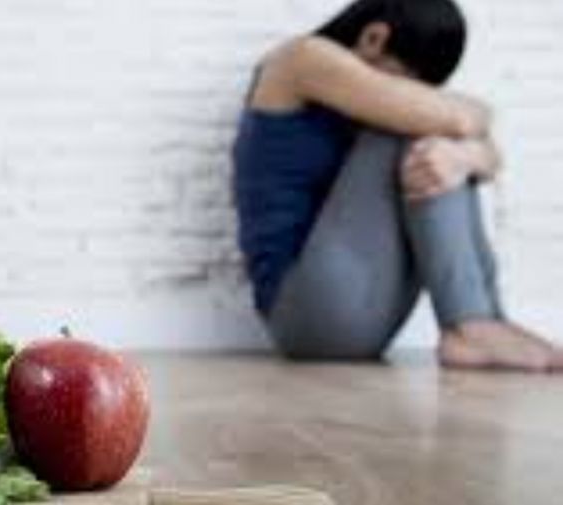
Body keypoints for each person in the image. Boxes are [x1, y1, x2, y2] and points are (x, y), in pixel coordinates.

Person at [233, 0, 563, 372]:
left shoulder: (359, 92)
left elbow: (481, 146)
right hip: (304, 314)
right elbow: (456, 119)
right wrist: (472, 134)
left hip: (365, 308)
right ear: (374, 38)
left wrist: (467, 157)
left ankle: (485, 320)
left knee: (443, 151)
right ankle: (470, 325)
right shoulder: (301, 59)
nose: (409, 95)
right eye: (406, 83)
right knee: (426, 133)